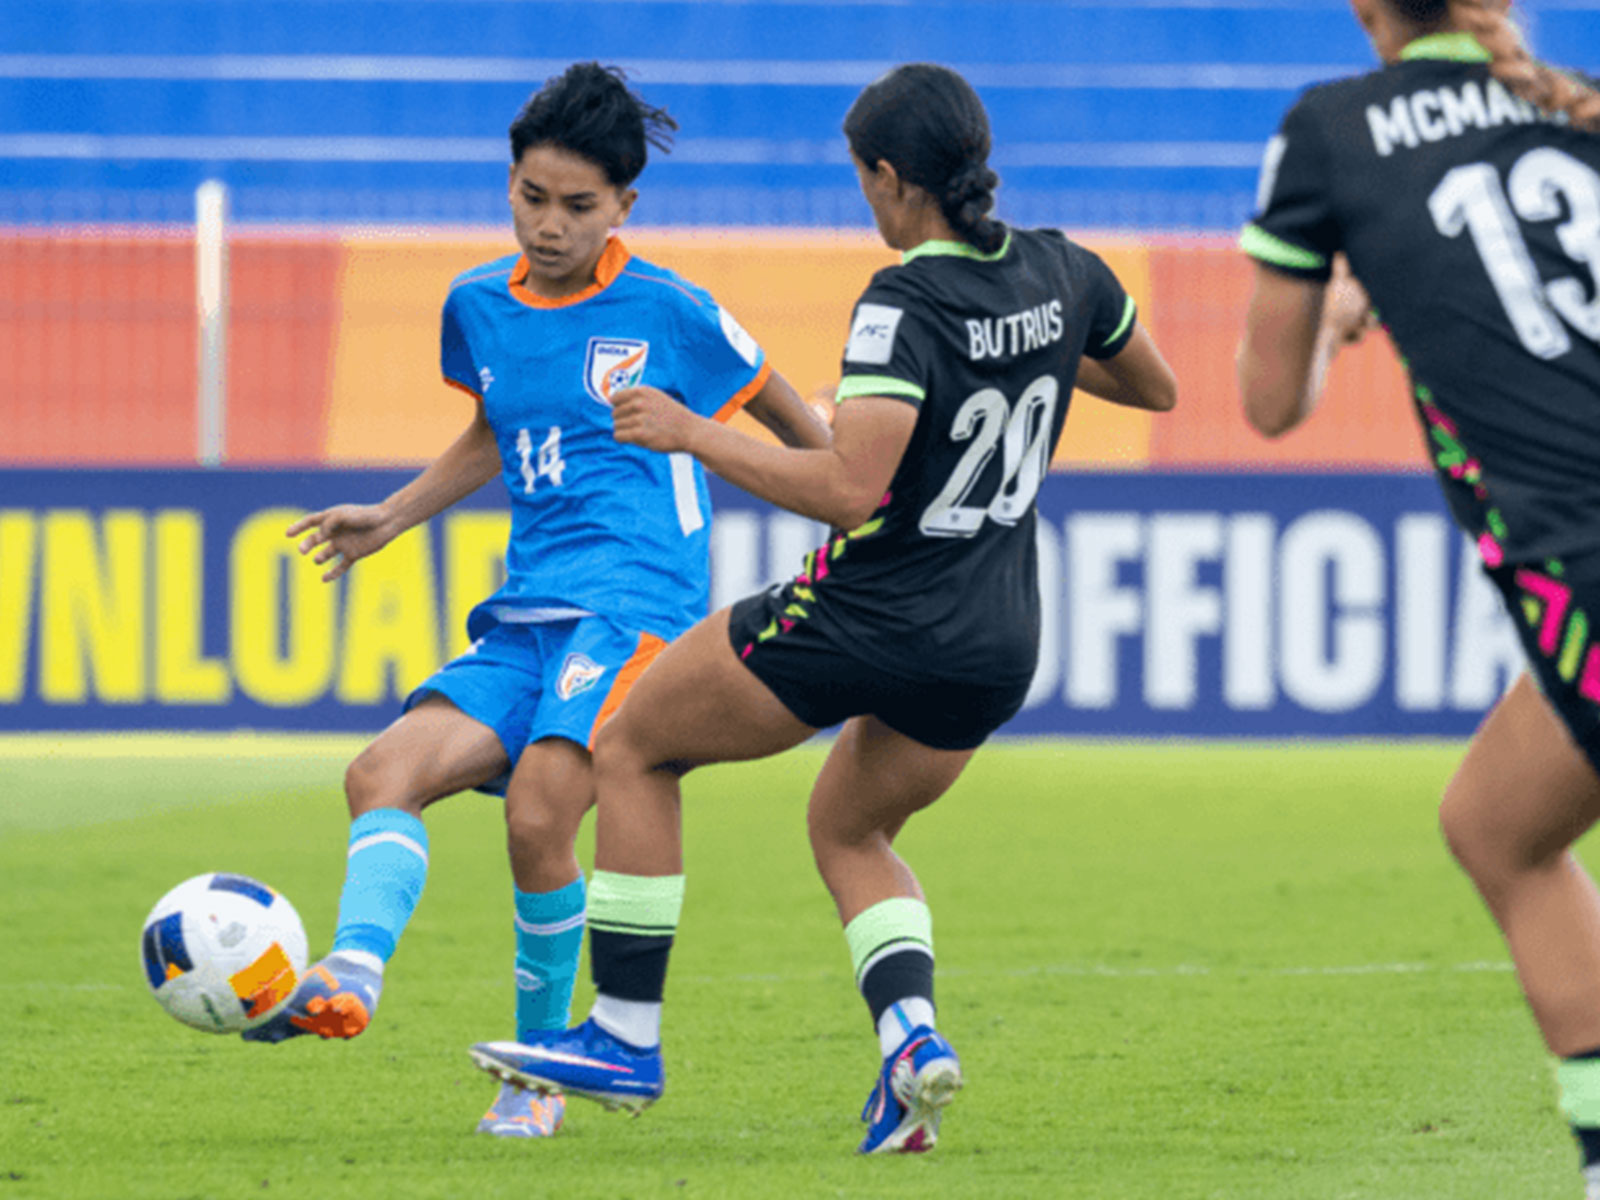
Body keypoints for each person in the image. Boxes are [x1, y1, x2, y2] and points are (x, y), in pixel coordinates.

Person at [468, 62, 1177, 1154]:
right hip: (994, 637)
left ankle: (622, 1032)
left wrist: (697, 431)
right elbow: (1152, 386)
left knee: (633, 742)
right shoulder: (1062, 269)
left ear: (892, 180)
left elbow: (853, 493)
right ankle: (909, 1046)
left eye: (862, 182)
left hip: (871, 610)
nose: (865, 201)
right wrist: (1017, 359)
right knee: (852, 826)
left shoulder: (901, 302)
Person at [241, 62, 829, 1141]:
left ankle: (536, 1078)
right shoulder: (474, 305)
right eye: (530, 197)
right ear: (508, 182)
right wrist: (394, 513)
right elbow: (499, 431)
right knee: (379, 772)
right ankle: (354, 974)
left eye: (577, 206)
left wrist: (869, 513)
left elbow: (810, 434)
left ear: (623, 209)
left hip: (636, 603)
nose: (548, 225)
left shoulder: (676, 313)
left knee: (538, 815)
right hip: (528, 607)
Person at [1236, 1, 1600, 1193]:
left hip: (1579, 564)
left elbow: (1270, 402)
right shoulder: (1574, 104)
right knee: (1497, 822)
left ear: (1364, 9)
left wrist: (1347, 311)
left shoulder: (1328, 133)